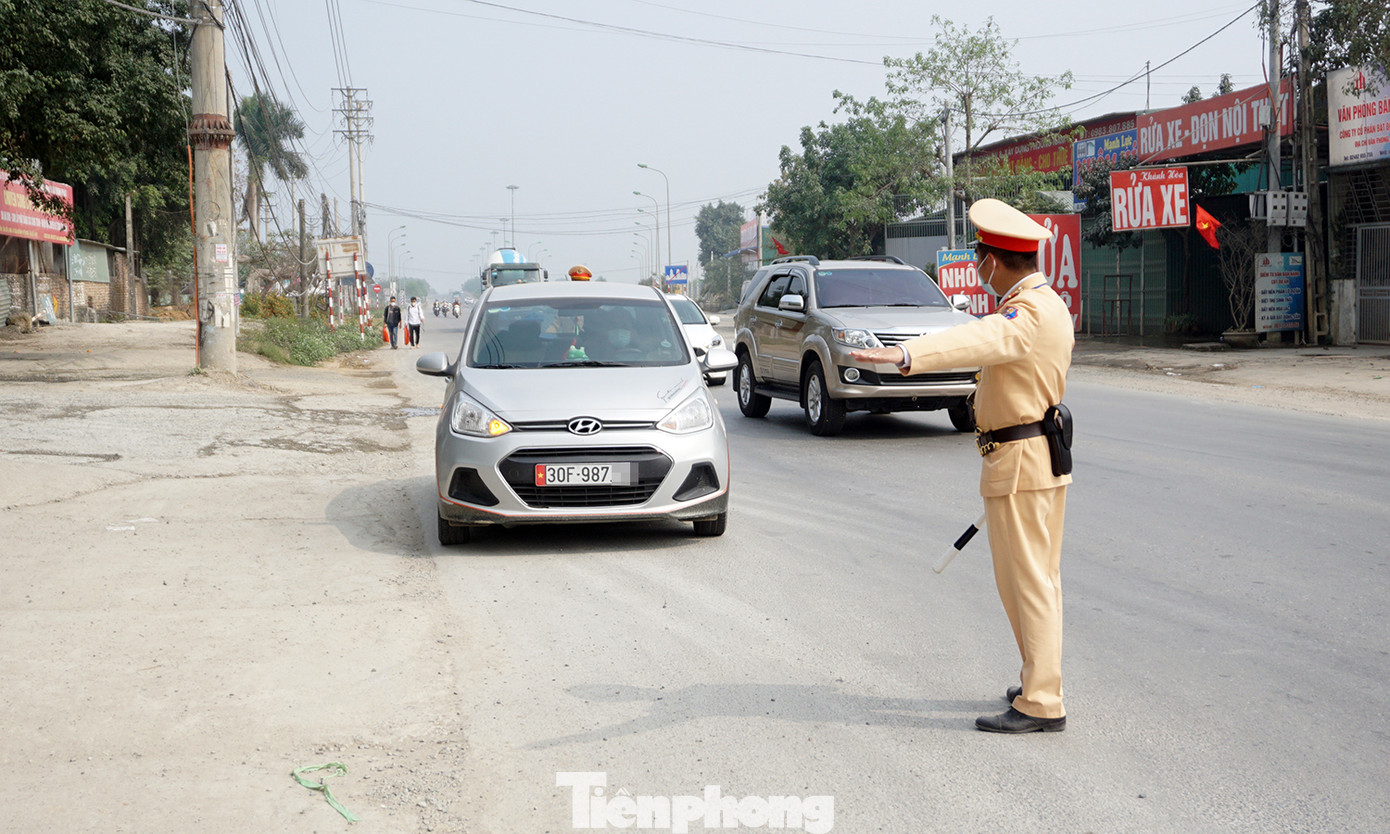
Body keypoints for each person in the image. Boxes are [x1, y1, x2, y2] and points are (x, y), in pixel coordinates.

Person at [849, 198, 1074, 734]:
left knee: (1027, 584)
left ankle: (1042, 700)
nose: (978, 268)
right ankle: (1038, 678)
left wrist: (906, 355)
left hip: (1022, 462)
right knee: (1032, 580)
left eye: (980, 257)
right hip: (1034, 458)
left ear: (994, 261)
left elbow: (978, 337)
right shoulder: (1050, 303)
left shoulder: (1026, 313)